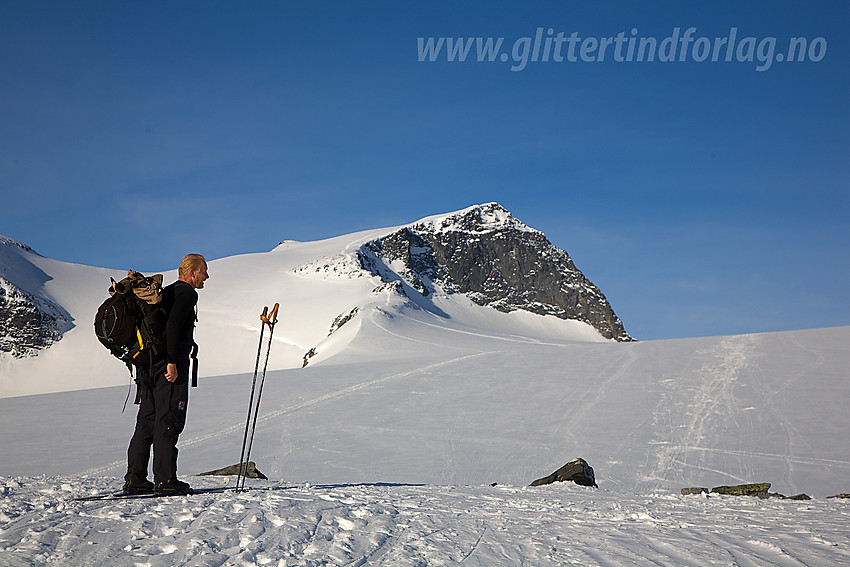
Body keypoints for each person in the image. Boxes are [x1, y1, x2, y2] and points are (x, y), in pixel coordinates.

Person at [123, 254, 209, 494]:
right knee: (168, 419)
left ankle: (135, 479)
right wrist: (172, 361)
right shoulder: (186, 294)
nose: (206, 277)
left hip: (147, 364)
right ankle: (165, 480)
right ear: (192, 273)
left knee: (147, 420)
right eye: (204, 271)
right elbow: (172, 327)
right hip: (168, 365)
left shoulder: (166, 293)